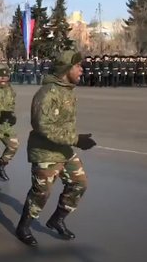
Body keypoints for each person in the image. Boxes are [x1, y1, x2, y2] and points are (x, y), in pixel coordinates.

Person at [16, 50, 96, 247]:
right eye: (78, 66)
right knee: (41, 193)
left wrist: (73, 140)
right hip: (45, 152)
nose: (81, 69)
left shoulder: (68, 90)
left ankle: (57, 219)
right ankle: (23, 227)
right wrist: (76, 139)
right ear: (67, 69)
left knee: (80, 183)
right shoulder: (47, 93)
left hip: (64, 149)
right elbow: (42, 126)